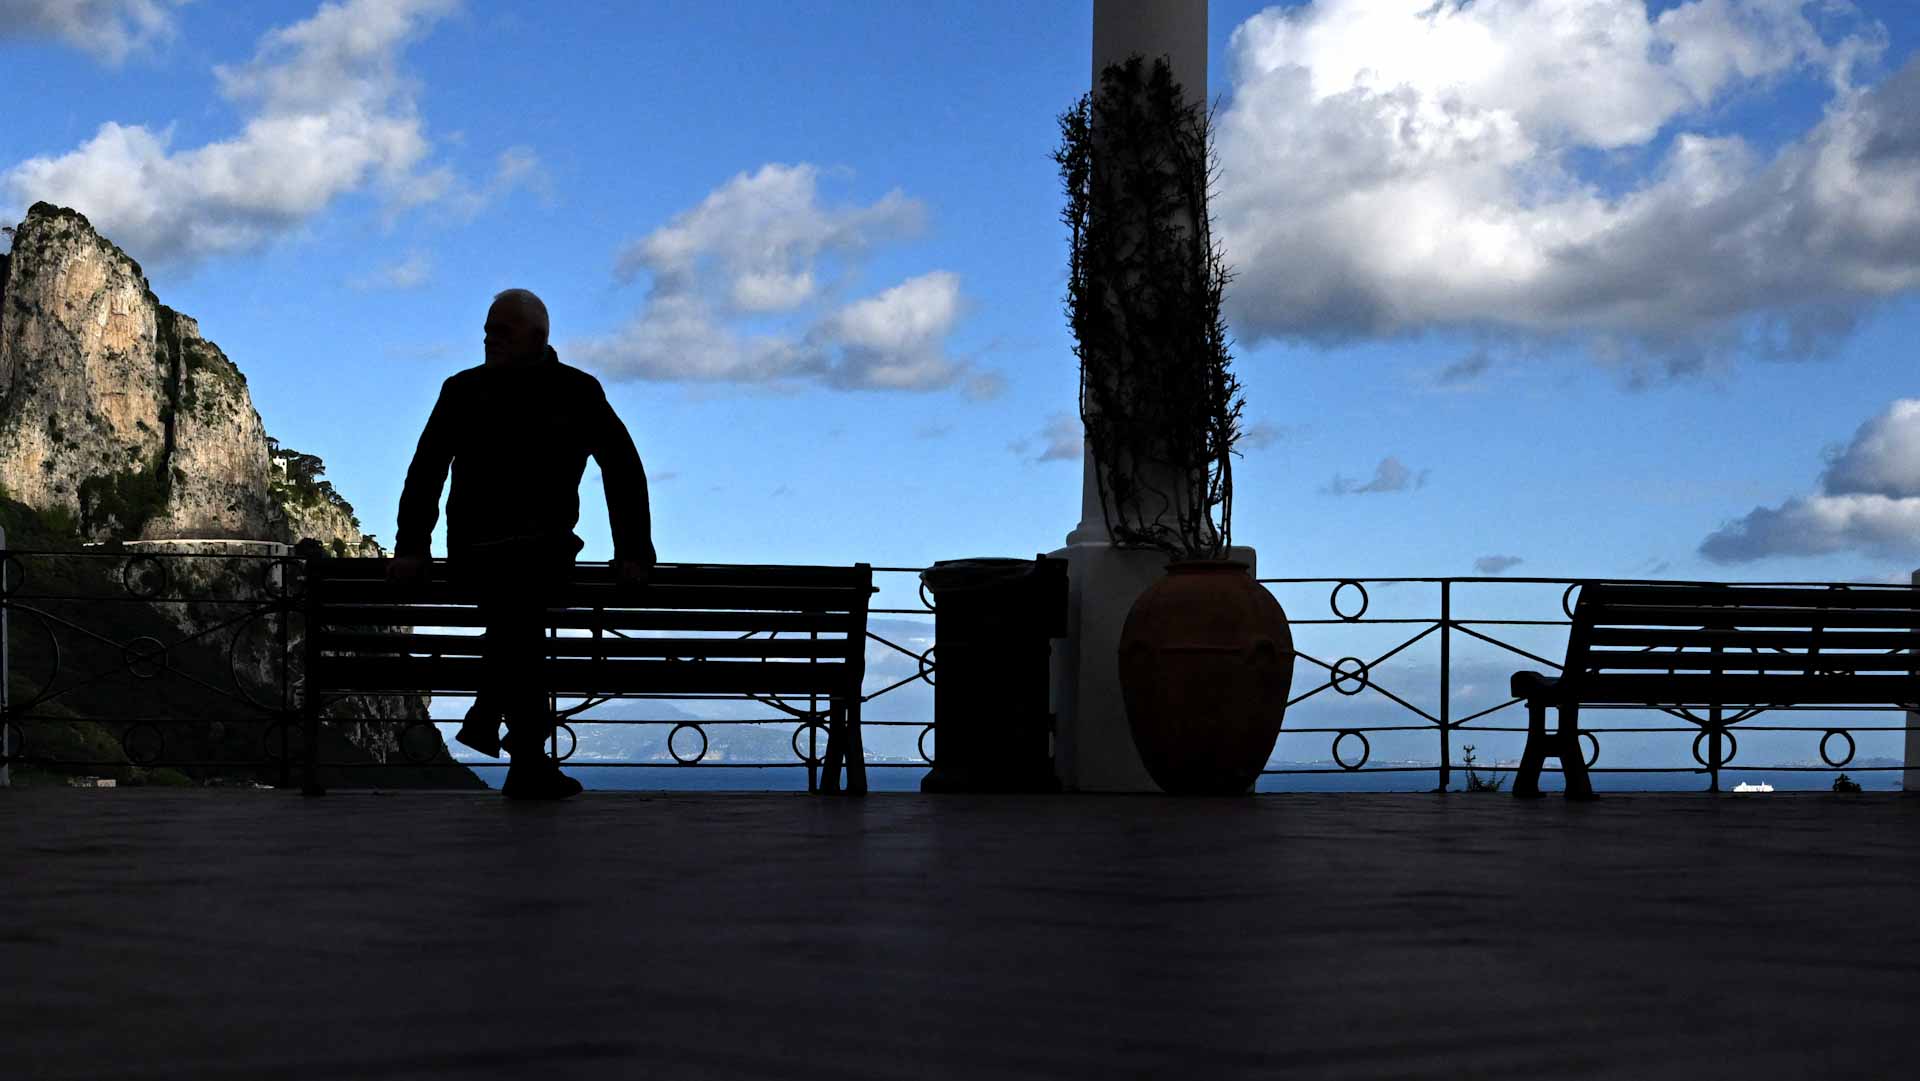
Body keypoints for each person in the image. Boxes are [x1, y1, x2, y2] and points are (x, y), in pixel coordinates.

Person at [387, 288, 656, 800]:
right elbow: (623, 470)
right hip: (513, 560)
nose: (489, 338)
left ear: (536, 337)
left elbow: (425, 473)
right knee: (523, 606)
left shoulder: (550, 390)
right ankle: (519, 750)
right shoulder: (502, 390)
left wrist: (412, 548)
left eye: (501, 330)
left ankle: (494, 719)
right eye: (488, 329)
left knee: (517, 606)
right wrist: (634, 552)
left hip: (512, 559)